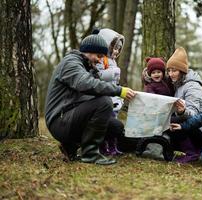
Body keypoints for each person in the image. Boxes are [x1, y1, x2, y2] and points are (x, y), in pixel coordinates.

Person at [45, 32, 135, 165]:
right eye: (99, 56)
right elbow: (86, 84)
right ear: (88, 51)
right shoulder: (71, 63)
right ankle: (90, 154)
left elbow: (98, 89)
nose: (100, 60)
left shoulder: (88, 67)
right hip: (60, 120)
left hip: (70, 117)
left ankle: (71, 146)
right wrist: (119, 90)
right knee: (104, 103)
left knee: (115, 126)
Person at [166, 47, 202, 163]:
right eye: (169, 70)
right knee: (167, 121)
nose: (170, 74)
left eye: (174, 70)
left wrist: (182, 111)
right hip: (195, 127)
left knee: (175, 122)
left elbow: (194, 114)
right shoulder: (178, 84)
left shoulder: (193, 86)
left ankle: (193, 153)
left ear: (182, 71)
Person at [91, 28, 126, 156]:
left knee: (114, 122)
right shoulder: (100, 59)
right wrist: (114, 72)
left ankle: (113, 146)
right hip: (104, 97)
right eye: (114, 48)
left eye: (118, 49)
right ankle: (103, 147)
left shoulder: (112, 60)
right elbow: (98, 75)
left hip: (113, 97)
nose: (116, 51)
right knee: (106, 124)